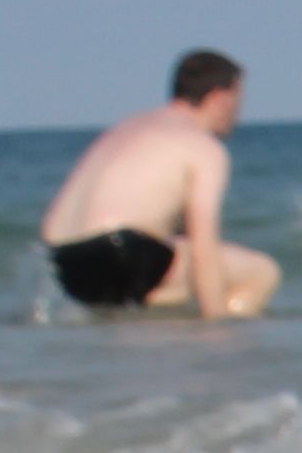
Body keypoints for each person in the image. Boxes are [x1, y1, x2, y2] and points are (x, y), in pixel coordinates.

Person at [38, 49, 279, 316]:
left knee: (163, 290)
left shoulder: (126, 127)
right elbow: (203, 245)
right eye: (238, 101)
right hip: (123, 252)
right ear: (219, 99)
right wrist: (215, 323)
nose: (238, 114)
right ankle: (213, 345)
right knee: (261, 273)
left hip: (64, 261)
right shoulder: (203, 147)